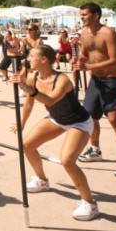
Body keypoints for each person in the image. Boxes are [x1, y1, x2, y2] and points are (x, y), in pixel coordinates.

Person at [10, 45, 99, 221]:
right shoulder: (32, 76)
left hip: (79, 122)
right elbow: (29, 102)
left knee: (67, 161)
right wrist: (21, 123)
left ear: (44, 60)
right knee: (27, 145)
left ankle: (90, 203)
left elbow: (50, 99)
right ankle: (42, 181)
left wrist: (26, 88)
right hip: (57, 119)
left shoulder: (63, 80)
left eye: (31, 56)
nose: (27, 59)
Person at [75, 3, 116, 179]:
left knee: (114, 120)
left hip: (111, 79)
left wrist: (88, 65)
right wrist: (80, 61)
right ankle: (95, 150)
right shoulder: (84, 33)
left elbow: (114, 60)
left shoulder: (108, 32)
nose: (82, 17)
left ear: (96, 15)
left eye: (85, 14)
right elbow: (85, 54)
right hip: (95, 80)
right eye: (80, 14)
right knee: (89, 117)